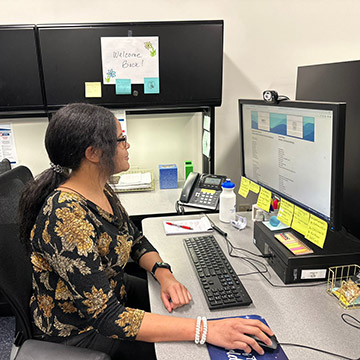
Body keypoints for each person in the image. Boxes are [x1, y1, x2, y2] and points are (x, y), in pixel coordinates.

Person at [19, 103, 274, 359]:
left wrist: (164, 274)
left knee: (197, 306)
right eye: (121, 140)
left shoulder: (98, 188)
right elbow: (107, 318)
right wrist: (204, 330)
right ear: (93, 153)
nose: (127, 146)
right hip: (80, 332)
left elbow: (134, 238)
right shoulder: (65, 218)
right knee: (191, 348)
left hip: (113, 296)